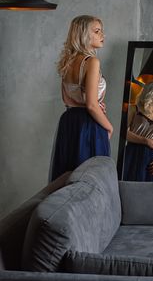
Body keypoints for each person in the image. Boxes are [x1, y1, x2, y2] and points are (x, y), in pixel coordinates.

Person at [49, 15, 113, 182]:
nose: (103, 35)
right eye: (97, 31)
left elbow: (68, 99)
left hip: (69, 121)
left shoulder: (67, 61)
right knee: (92, 179)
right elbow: (91, 105)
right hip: (89, 125)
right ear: (83, 35)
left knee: (69, 176)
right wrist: (109, 127)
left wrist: (95, 105)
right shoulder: (92, 62)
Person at [123, 81, 153, 182]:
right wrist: (146, 141)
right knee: (129, 187)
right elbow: (124, 133)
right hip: (133, 155)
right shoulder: (134, 109)